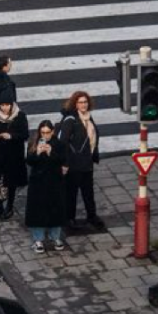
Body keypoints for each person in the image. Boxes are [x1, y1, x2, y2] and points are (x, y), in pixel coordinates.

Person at [56, 91, 103, 229]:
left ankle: (92, 216)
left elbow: (92, 137)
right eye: (80, 102)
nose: (84, 105)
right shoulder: (71, 120)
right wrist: (64, 163)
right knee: (71, 192)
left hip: (86, 162)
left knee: (88, 192)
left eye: (85, 102)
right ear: (75, 104)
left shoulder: (88, 117)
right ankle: (69, 218)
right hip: (73, 163)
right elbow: (62, 142)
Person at [24, 120, 68, 253]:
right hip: (38, 182)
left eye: (47, 132)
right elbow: (29, 161)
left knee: (55, 209)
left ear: (52, 132)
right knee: (37, 211)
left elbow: (62, 159)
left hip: (54, 181)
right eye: (42, 132)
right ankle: (38, 240)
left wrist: (50, 153)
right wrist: (37, 152)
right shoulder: (34, 142)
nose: (45, 135)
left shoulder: (59, 144)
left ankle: (56, 237)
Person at [0, 102, 29, 220]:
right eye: (2, 106)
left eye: (7, 105)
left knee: (11, 183)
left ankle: (9, 207)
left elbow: (24, 134)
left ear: (12, 105)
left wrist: (11, 136)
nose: (4, 108)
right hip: (0, 155)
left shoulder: (20, 116)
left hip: (14, 156)